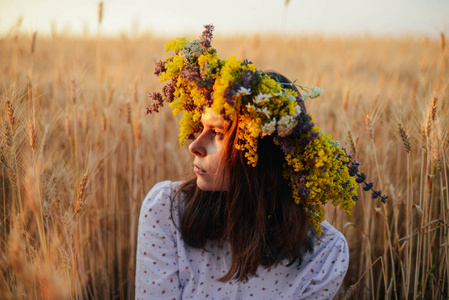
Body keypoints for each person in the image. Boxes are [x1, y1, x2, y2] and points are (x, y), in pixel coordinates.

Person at [136, 24, 385, 299]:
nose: (194, 146)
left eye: (217, 134)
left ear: (260, 156)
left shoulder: (324, 255)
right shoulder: (167, 211)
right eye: (199, 128)